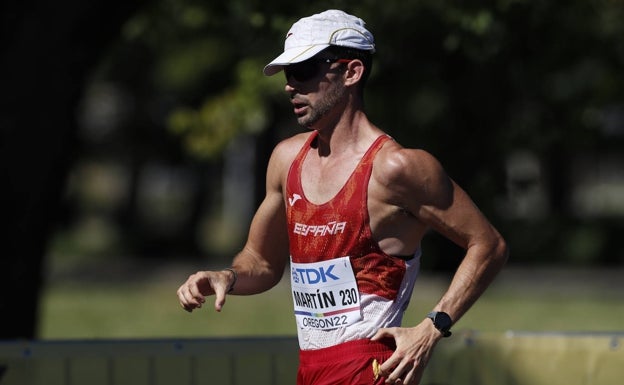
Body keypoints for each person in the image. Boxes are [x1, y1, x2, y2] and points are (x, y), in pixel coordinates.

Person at [177, 9, 508, 385]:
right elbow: (262, 263)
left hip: (371, 369)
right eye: (288, 74)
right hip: (310, 369)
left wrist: (432, 328)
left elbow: (489, 245)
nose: (290, 86)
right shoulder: (287, 160)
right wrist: (227, 277)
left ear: (351, 72)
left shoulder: (397, 168)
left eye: (304, 71)